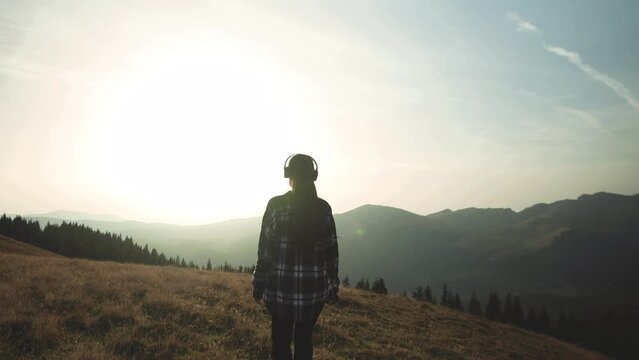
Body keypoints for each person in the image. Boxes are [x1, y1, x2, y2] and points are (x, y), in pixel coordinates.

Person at [252, 154, 339, 360]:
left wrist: (258, 283)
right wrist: (332, 286)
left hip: (280, 291)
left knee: (280, 343)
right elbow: (331, 253)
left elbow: (265, 251)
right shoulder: (323, 209)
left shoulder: (276, 206)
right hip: (313, 294)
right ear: (314, 176)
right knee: (304, 340)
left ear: (289, 175)